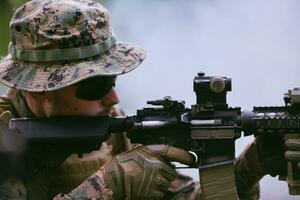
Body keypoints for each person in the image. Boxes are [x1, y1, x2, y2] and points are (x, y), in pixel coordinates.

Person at [0, 0, 299, 199]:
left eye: (112, 80)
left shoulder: (111, 127)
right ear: (39, 88)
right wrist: (107, 187)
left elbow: (185, 196)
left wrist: (250, 167)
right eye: (95, 86)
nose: (113, 97)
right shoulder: (4, 142)